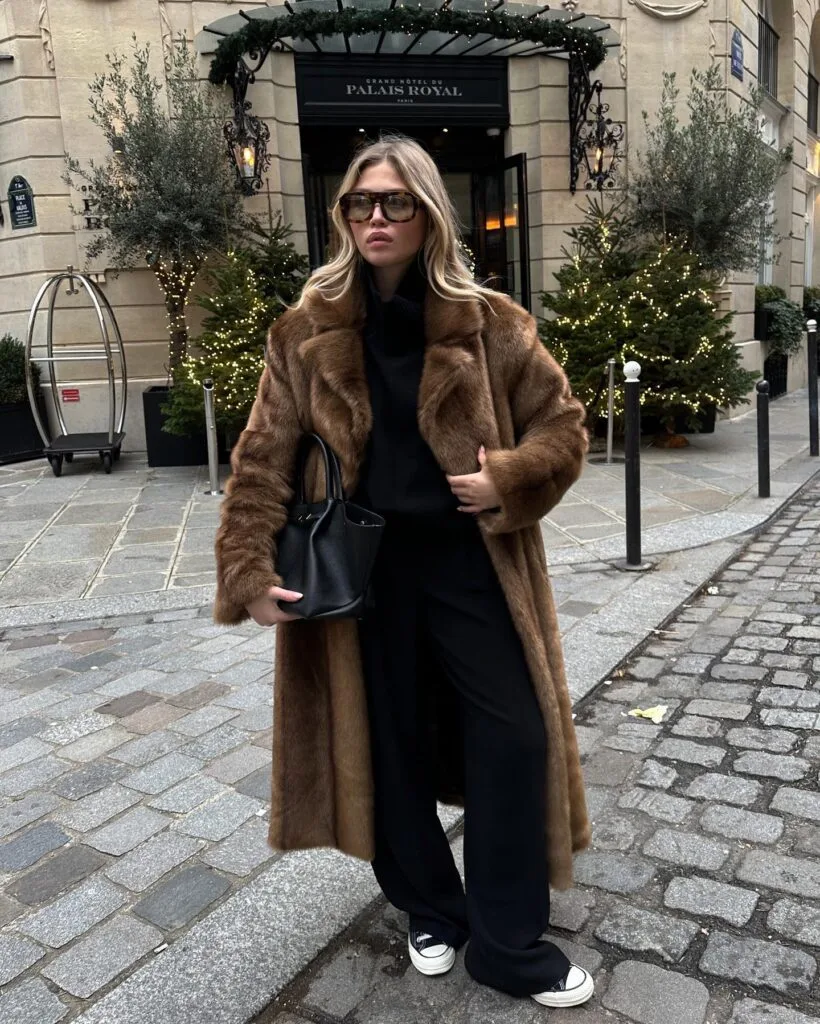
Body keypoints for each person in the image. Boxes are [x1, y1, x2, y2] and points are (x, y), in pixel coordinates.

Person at [213, 134, 592, 1009]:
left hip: (470, 563)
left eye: (394, 203)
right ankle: (429, 907)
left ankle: (506, 941)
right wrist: (246, 568)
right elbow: (262, 462)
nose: (374, 218)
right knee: (381, 746)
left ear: (428, 215)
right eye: (358, 203)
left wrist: (509, 477)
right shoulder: (303, 330)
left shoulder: (490, 323)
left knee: (513, 735)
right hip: (357, 575)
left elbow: (564, 428)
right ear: (342, 214)